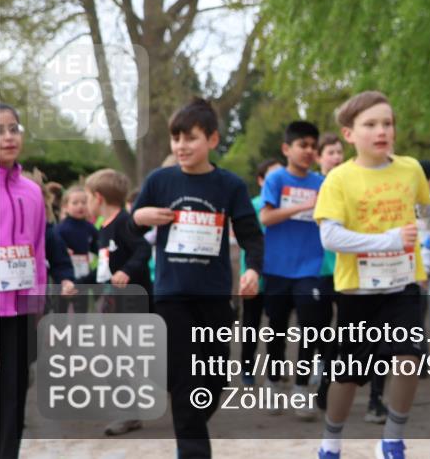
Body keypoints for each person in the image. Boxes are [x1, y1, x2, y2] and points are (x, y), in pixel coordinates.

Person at [131, 97, 263, 459]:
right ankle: (191, 448)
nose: (181, 146)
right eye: (176, 138)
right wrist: (140, 217)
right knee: (187, 384)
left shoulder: (229, 186)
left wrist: (253, 268)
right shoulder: (159, 181)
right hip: (172, 297)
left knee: (213, 381)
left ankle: (189, 424)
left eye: (190, 138)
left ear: (212, 140)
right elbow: (127, 228)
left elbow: (251, 234)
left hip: (215, 298)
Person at [314, 90, 430, 459]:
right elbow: (330, 236)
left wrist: (429, 254)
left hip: (403, 286)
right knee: (348, 376)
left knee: (409, 356)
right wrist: (390, 239)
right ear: (349, 134)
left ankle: (393, 439)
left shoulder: (411, 169)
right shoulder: (338, 179)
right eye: (370, 124)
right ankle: (331, 441)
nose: (381, 131)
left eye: (387, 123)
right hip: (357, 292)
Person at [259, 120, 328, 421]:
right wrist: (302, 207)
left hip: (310, 268)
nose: (309, 151)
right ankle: (273, 383)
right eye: (303, 145)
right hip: (277, 268)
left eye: (313, 146)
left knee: (310, 327)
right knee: (276, 329)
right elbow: (266, 217)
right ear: (287, 149)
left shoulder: (323, 183)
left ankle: (301, 389)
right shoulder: (276, 180)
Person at [85, 167, 153, 436]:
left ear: (97, 197)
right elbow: (104, 271)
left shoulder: (125, 223)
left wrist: (128, 270)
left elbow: (143, 249)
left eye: (88, 196)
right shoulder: (103, 229)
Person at [0, 103, 49, 459]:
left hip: (20, 310)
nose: (8, 137)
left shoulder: (32, 191)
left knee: (14, 393)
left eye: (14, 128)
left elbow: (39, 247)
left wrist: (38, 299)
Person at [243, 157, 281, 386]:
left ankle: (274, 369)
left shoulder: (286, 205)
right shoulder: (253, 206)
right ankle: (247, 367)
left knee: (277, 325)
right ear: (260, 180)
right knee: (251, 323)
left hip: (280, 273)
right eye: (271, 177)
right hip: (254, 274)